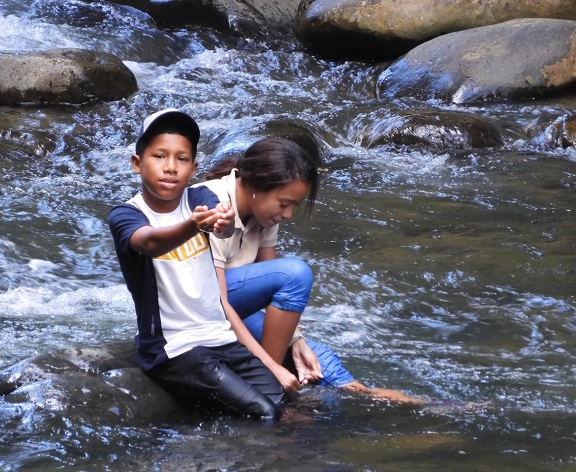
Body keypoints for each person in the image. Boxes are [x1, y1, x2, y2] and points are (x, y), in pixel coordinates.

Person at [196, 137, 421, 404]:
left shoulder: (265, 212)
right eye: (284, 204)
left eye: (294, 206)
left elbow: (267, 283)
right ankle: (268, 385)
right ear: (256, 186)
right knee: (295, 274)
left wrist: (296, 339)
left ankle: (420, 408)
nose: (288, 214)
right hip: (203, 308)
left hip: (236, 308)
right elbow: (219, 301)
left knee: (321, 363)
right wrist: (271, 367)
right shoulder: (213, 205)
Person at [108, 109, 289, 420]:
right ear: (137, 164)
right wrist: (196, 225)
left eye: (181, 159)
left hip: (221, 338)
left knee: (281, 402)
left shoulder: (198, 197)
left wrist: (223, 221)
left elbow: (223, 221)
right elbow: (151, 243)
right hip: (175, 350)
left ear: (193, 168)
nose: (170, 168)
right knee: (263, 413)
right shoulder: (126, 215)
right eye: (159, 156)